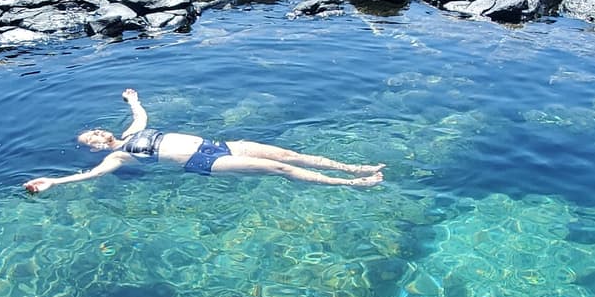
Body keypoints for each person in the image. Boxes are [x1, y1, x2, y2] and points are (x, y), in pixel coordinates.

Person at [23, 89, 385, 192]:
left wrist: (132, 100)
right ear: (94, 148)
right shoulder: (117, 158)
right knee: (278, 169)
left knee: (289, 154)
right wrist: (54, 181)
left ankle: (353, 167)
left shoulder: (132, 133)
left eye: (95, 130)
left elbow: (141, 116)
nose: (97, 135)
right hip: (205, 162)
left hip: (220, 144)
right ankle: (351, 184)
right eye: (91, 139)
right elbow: (90, 176)